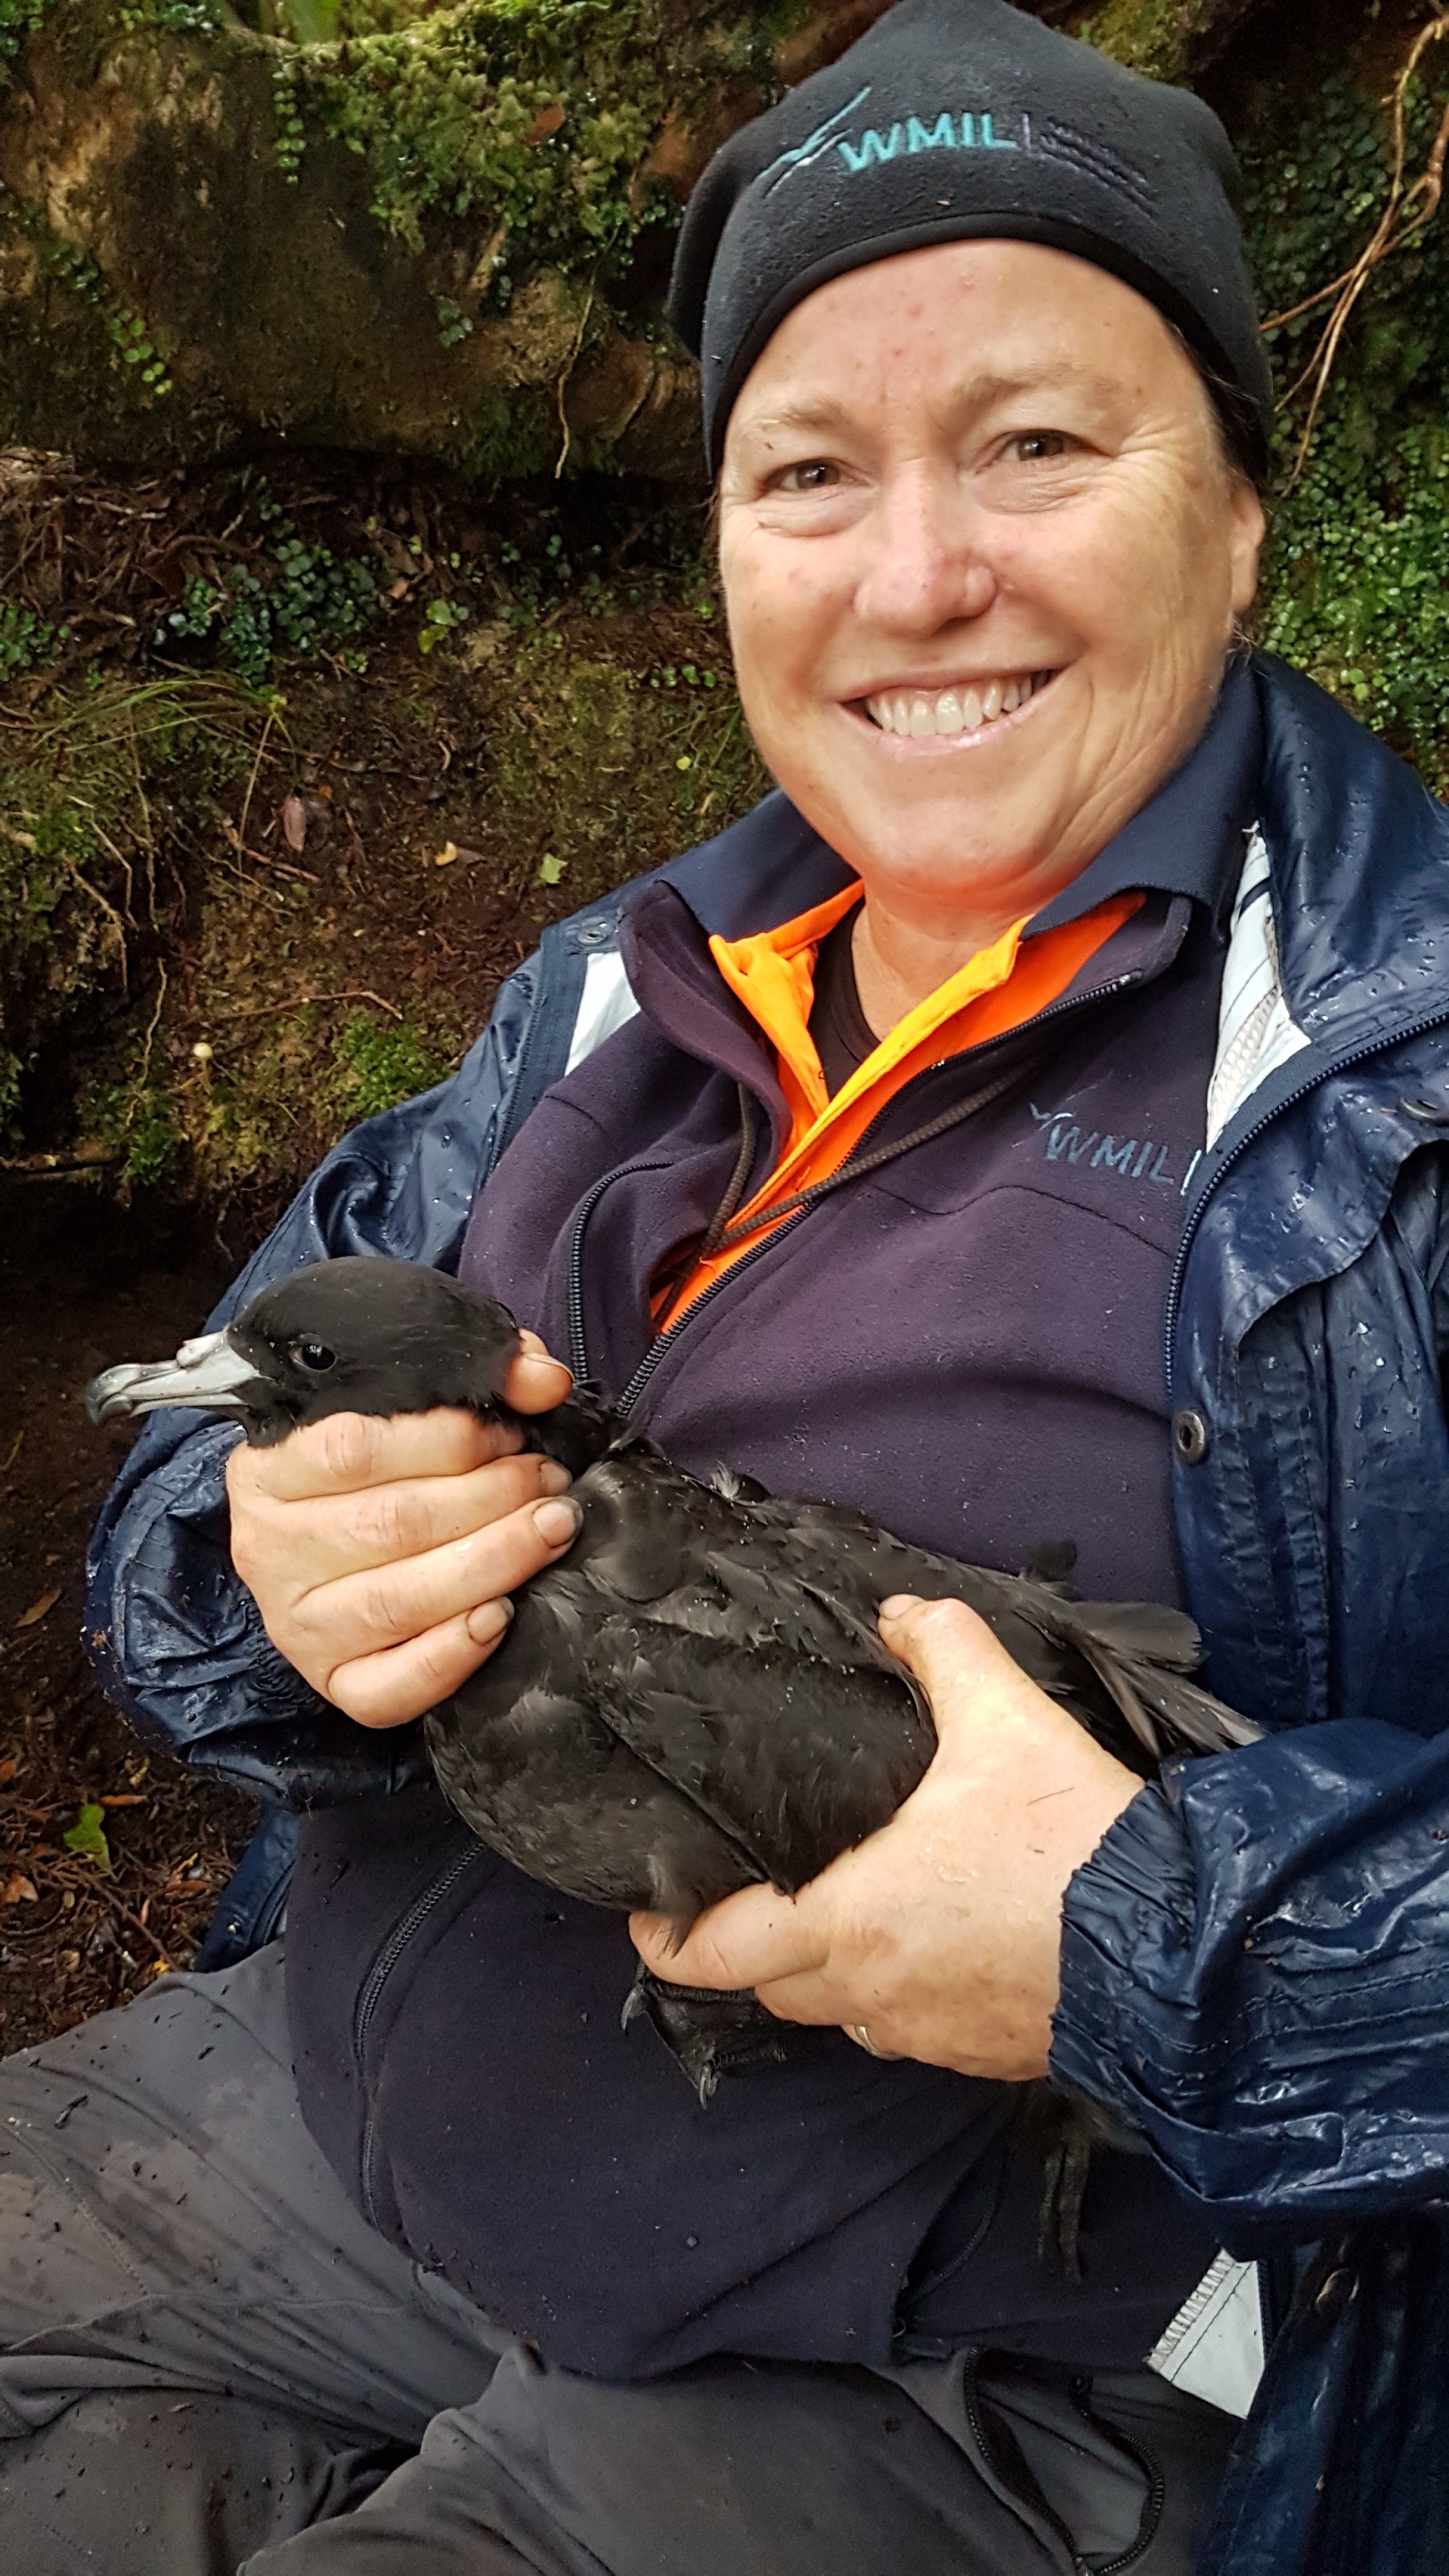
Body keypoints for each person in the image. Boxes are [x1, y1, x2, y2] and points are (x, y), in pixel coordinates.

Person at [6, 2, 1449, 2569]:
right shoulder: (611, 984)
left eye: (1034, 442)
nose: (917, 577)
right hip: (329, 2121)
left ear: (1239, 502)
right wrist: (259, 1582)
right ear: (723, 543)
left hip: (961, 2370)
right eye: (809, 471)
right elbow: (183, 1496)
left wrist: (1161, 1944)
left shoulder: (1399, 1106)